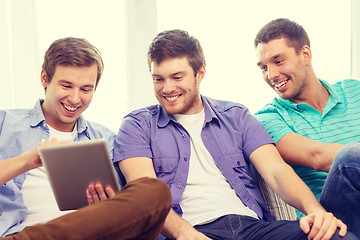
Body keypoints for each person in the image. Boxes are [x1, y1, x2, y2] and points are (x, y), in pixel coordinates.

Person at [111, 29, 357, 240]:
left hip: (254, 229)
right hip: (191, 230)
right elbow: (146, 194)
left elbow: (277, 172)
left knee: (334, 235)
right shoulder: (137, 125)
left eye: (177, 77)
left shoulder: (236, 116)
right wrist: (188, 235)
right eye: (158, 79)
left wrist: (315, 211)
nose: (167, 89)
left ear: (200, 73)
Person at [0, 37, 171, 239]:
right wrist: (28, 160)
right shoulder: (5, 123)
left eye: (85, 89)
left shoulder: (105, 139)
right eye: (66, 86)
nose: (74, 98)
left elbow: (126, 205)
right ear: (45, 79)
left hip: (91, 231)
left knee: (154, 192)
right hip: (24, 234)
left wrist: (108, 206)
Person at [254, 18, 360, 236]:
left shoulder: (354, 90)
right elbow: (317, 156)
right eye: (264, 67)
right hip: (332, 222)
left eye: (278, 61)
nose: (271, 75)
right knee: (348, 157)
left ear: (305, 55)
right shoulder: (269, 117)